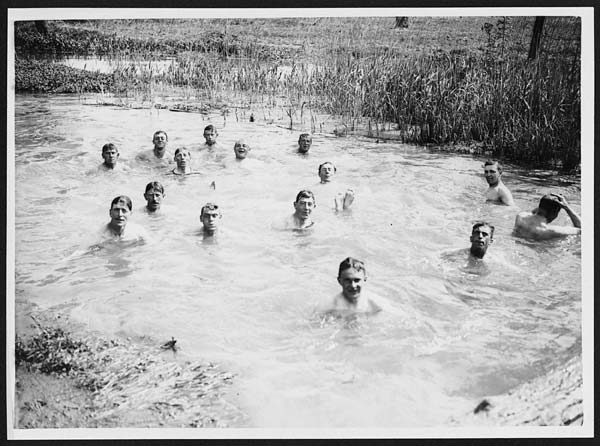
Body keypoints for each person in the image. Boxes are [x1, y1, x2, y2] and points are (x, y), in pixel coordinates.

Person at [514, 193, 581, 239]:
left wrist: (546, 202)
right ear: (554, 213)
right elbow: (582, 229)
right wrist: (567, 207)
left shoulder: (520, 217)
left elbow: (534, 211)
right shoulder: (551, 231)